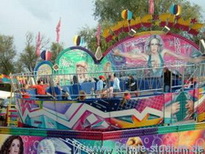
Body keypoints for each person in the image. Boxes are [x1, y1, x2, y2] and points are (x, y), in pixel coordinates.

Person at [113, 35, 205, 76]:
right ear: (149, 46)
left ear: (158, 45)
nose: (153, 46)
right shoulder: (147, 56)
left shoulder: (163, 52)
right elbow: (132, 55)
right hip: (151, 82)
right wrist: (119, 53)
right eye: (152, 44)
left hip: (161, 80)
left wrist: (195, 60)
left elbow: (179, 56)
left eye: (155, 44)